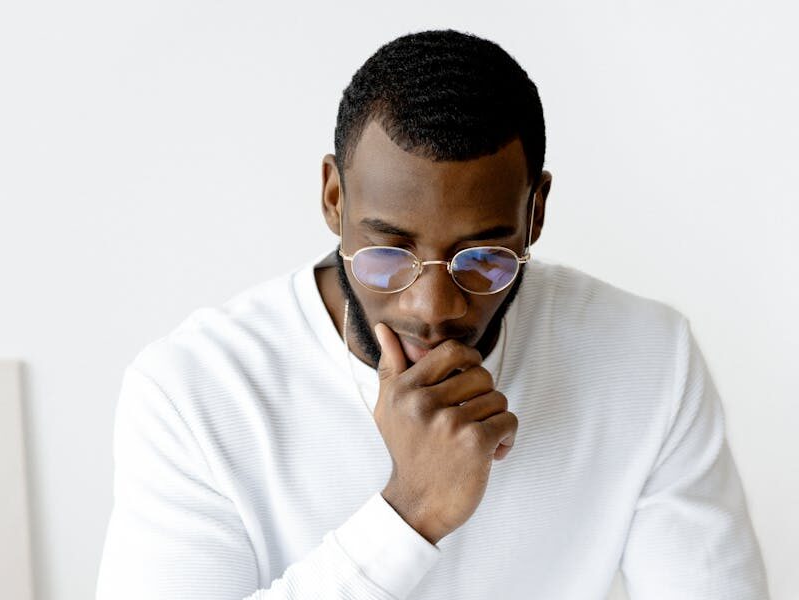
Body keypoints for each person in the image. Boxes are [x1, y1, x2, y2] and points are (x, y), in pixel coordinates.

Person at [96, 29, 769, 599]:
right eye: (388, 252)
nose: (433, 306)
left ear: (534, 214)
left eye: (482, 258)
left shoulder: (647, 358)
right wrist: (411, 511)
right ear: (335, 198)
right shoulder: (194, 391)